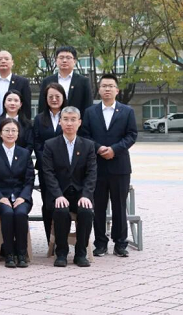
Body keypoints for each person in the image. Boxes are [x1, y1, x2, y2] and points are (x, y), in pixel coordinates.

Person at [82, 74, 138, 258]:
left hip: (119, 166)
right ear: (99, 90)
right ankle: (100, 243)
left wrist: (115, 149)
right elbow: (85, 135)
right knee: (98, 207)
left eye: (111, 86)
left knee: (119, 206)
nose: (107, 89)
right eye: (104, 86)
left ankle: (120, 243)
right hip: (96, 166)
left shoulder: (127, 111)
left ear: (117, 90)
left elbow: (132, 135)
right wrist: (98, 148)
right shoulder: (90, 112)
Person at [41, 106, 97, 267]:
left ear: (79, 122)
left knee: (86, 212)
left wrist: (86, 195)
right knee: (61, 211)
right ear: (60, 122)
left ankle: (80, 253)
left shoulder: (88, 145)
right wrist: (58, 195)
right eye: (65, 119)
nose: (69, 123)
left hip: (80, 193)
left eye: (73, 120)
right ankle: (61, 253)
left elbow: (92, 173)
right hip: (59, 193)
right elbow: (48, 173)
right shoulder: (50, 145)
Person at [0, 118, 35, 268]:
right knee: (7, 213)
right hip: (0, 198)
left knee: (20, 213)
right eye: (7, 130)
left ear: (18, 134)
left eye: (14, 130)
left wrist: (23, 197)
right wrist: (0, 198)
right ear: (0, 133)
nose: (10, 133)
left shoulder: (24, 153)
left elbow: (29, 180)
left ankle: (22, 253)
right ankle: (9, 253)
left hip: (21, 196)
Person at [33, 83, 67, 240]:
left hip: (67, 169)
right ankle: (51, 242)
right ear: (45, 99)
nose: (54, 99)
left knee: (64, 204)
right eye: (50, 96)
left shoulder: (68, 116)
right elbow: (37, 143)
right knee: (48, 205)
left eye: (57, 96)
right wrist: (46, 163)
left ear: (63, 98)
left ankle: (63, 240)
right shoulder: (39, 119)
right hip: (45, 170)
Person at [37, 46, 93, 116]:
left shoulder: (83, 81)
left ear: (74, 61)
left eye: (68, 58)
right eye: (61, 57)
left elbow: (88, 105)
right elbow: (42, 105)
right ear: (56, 61)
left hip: (76, 121)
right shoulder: (47, 81)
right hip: (52, 121)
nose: (64, 60)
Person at [0, 50, 32, 121]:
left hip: (16, 124)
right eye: (0, 59)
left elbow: (26, 108)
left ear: (12, 62)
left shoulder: (22, 82)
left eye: (6, 59)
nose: (3, 61)